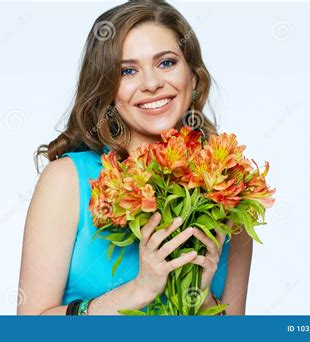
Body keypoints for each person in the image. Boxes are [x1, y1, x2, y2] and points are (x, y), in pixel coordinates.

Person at [17, 0, 253, 316]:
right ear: (107, 89)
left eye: (166, 63)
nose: (152, 83)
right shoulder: (67, 181)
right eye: (128, 70)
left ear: (193, 79)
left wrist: (203, 299)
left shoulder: (229, 189)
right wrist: (139, 290)